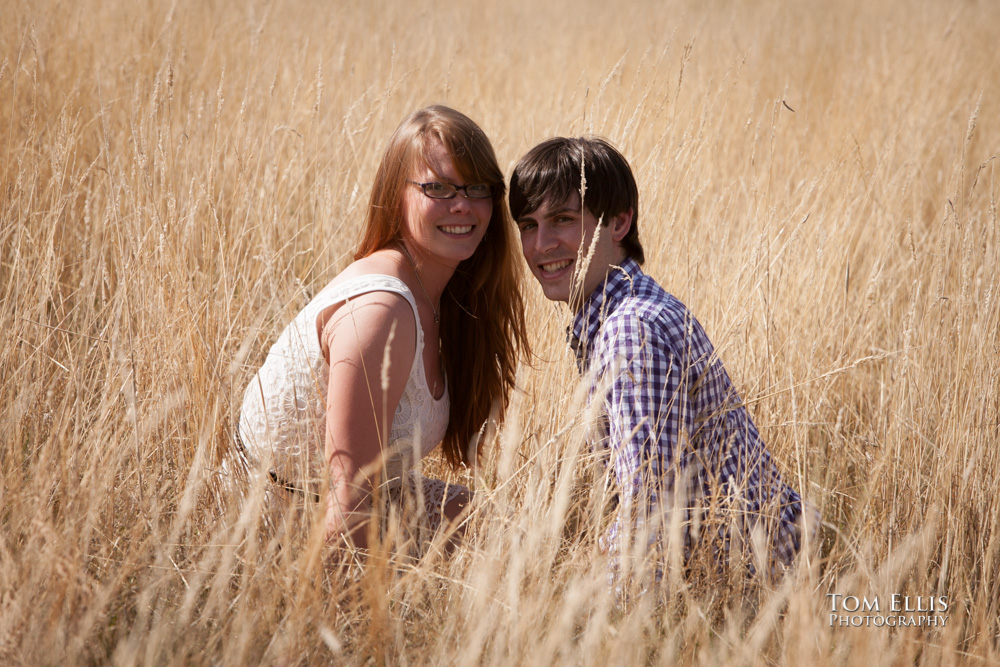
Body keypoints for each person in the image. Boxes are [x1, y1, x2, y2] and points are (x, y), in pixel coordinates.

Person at [509, 136, 814, 585]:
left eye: (562, 220)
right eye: (528, 225)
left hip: (760, 583)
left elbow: (652, 513)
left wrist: (583, 617)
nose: (541, 244)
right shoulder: (624, 308)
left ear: (618, 222)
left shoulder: (631, 329)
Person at [237, 105, 528, 550]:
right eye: (439, 187)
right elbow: (347, 508)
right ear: (396, 195)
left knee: (511, 538)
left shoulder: (446, 294)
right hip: (275, 524)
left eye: (477, 187)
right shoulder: (380, 311)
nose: (463, 204)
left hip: (371, 500)